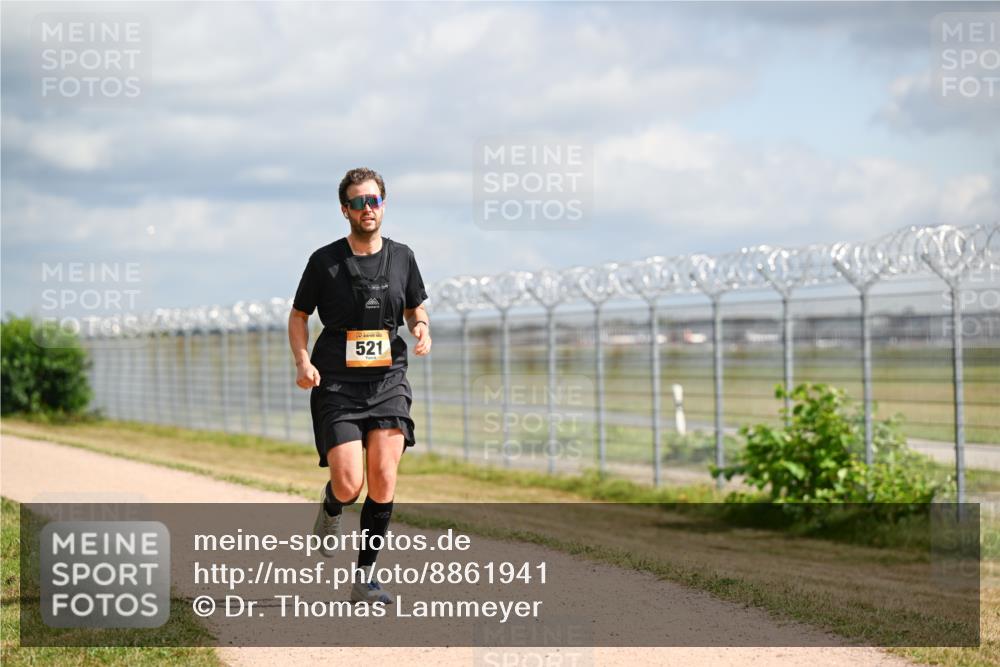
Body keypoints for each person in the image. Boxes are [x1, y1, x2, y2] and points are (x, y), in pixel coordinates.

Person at [288, 167, 431, 604]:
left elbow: (415, 307)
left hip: (388, 380)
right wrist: (302, 360)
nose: (367, 209)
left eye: (374, 200)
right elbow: (299, 317)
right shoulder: (324, 261)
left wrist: (422, 326)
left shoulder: (403, 256)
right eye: (358, 202)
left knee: (384, 476)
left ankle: (365, 578)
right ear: (344, 209)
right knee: (350, 484)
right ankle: (333, 506)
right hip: (337, 384)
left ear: (383, 205)